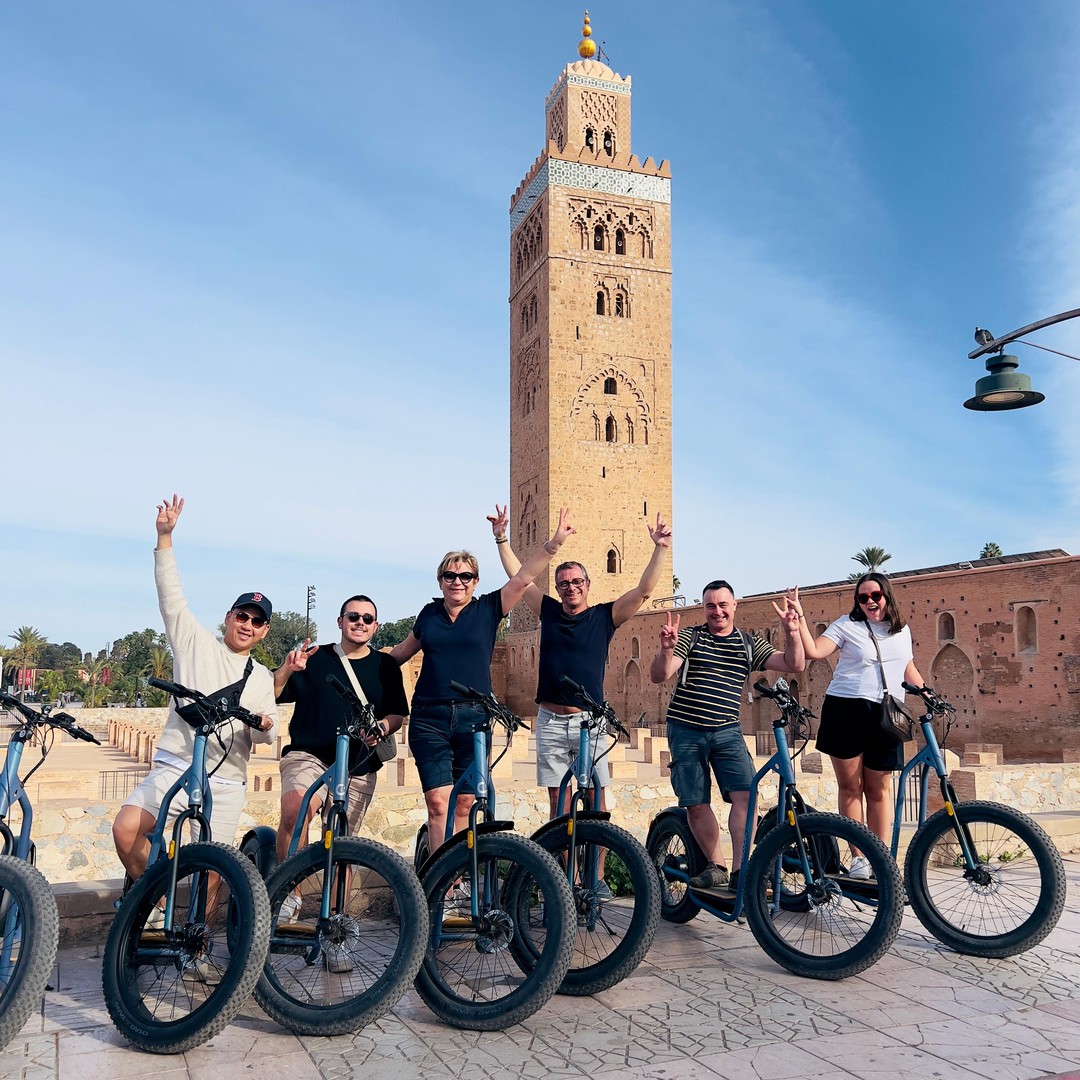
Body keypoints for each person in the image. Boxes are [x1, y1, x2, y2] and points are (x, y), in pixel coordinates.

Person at [112, 495, 277, 884]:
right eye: (242, 615)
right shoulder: (195, 643)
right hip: (176, 765)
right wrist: (165, 537)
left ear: (264, 630)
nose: (247, 625)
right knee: (126, 829)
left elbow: (269, 736)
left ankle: (198, 943)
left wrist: (265, 724)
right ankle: (154, 902)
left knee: (214, 871)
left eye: (257, 621)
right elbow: (171, 598)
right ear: (228, 617)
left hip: (226, 778)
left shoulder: (262, 677)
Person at [391, 509, 576, 848]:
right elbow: (398, 655)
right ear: (440, 580)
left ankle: (459, 879)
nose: (457, 581)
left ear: (475, 581)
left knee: (464, 803)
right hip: (429, 717)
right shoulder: (429, 615)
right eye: (449, 575)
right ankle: (441, 885)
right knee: (437, 803)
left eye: (465, 576)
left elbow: (522, 578)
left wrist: (554, 543)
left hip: (473, 718)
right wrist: (347, 660)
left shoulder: (489, 608)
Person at [486, 505, 672, 820]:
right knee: (558, 799)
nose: (570, 587)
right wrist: (501, 539)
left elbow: (643, 591)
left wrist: (660, 549)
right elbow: (519, 578)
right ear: (557, 588)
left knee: (596, 799)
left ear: (587, 585)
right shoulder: (549, 611)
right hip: (550, 721)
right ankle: (563, 869)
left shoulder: (604, 617)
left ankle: (595, 871)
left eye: (576, 582)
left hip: (590, 721)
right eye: (564, 583)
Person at [650, 579, 803, 892]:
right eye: (710, 605)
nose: (716, 611)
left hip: (727, 730)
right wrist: (666, 651)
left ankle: (740, 871)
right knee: (695, 802)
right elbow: (660, 675)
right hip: (686, 728)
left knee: (747, 796)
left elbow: (794, 664)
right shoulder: (690, 637)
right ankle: (716, 864)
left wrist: (793, 631)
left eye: (722, 604)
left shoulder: (748, 644)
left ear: (734, 606)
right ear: (704, 608)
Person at [787, 574, 924, 874]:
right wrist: (799, 617)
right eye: (862, 598)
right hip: (846, 710)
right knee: (852, 787)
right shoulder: (847, 625)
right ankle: (860, 858)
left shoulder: (901, 631)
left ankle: (882, 859)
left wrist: (926, 692)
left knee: (879, 789)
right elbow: (815, 651)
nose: (870, 602)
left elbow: (907, 666)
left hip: (887, 714)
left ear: (887, 595)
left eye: (875, 595)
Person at [272, 594, 408, 868]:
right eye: (353, 617)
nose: (360, 623)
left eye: (367, 619)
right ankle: (289, 898)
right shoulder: (315, 657)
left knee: (342, 843)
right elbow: (272, 693)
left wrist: (382, 727)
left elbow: (398, 714)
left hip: (358, 763)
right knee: (295, 812)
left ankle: (336, 910)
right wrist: (287, 669)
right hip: (309, 754)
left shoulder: (386, 666)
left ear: (375, 626)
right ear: (340, 621)